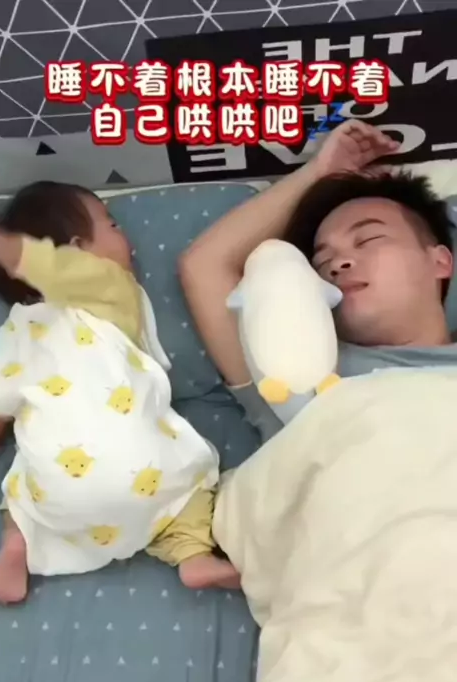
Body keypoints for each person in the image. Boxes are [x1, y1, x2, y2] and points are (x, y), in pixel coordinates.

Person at [0, 181, 239, 605]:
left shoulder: (14, 333)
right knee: (192, 477)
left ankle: (16, 545)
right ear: (78, 252)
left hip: (59, 494)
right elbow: (57, 268)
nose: (126, 236)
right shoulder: (110, 291)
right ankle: (192, 556)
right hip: (146, 473)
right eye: (112, 224)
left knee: (20, 488)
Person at [178, 119, 455, 441]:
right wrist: (321, 171)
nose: (338, 263)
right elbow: (205, 266)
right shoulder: (290, 369)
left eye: (367, 240)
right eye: (322, 261)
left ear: (440, 261)